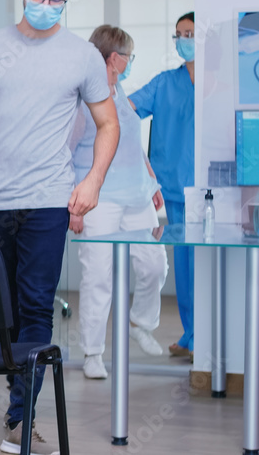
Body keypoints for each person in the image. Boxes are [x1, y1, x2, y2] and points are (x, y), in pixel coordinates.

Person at [0, 0, 119, 455]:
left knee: (36, 307)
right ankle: (16, 387)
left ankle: (21, 418)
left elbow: (109, 125)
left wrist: (92, 182)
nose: (47, 6)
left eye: (58, 0)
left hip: (47, 200)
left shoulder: (82, 56)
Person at [70, 25, 169, 380]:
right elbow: (66, 153)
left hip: (136, 195)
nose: (130, 61)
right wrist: (75, 205)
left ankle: (141, 322)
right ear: (114, 58)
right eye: (128, 55)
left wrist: (151, 180)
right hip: (99, 201)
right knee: (99, 277)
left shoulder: (120, 89)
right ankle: (93, 353)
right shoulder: (84, 99)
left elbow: (130, 143)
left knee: (154, 263)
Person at [128, 11, 196, 359]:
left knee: (211, 265)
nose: (184, 40)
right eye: (179, 35)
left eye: (190, 33)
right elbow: (126, 110)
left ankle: (208, 336)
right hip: (173, 185)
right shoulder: (165, 82)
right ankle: (191, 337)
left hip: (210, 186)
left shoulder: (220, 81)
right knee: (184, 265)